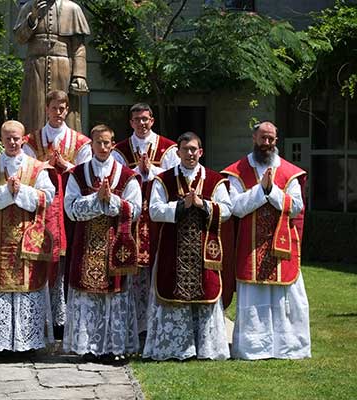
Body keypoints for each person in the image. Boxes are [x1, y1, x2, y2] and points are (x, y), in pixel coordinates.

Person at [222, 121, 310, 360]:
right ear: (254, 138)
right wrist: (261, 190)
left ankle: (289, 347)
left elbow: (296, 207)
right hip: (250, 245)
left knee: (288, 297)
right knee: (254, 296)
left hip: (282, 246)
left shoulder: (290, 172)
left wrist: (272, 191)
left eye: (271, 139)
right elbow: (234, 208)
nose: (267, 143)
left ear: (276, 140)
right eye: (263, 138)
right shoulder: (237, 171)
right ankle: (254, 348)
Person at [142, 132, 231, 360]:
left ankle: (206, 349)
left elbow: (228, 210)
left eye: (194, 149)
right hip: (173, 248)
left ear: (201, 152)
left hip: (203, 250)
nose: (190, 153)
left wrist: (204, 205)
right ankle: (175, 349)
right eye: (185, 149)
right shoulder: (163, 179)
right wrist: (181, 206)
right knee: (172, 293)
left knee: (206, 294)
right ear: (178, 152)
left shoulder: (214, 179)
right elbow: (154, 210)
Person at [0, 120, 56, 353]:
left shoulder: (37, 167)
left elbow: (47, 197)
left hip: (27, 239)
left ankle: (27, 344)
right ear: (1, 140)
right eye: (8, 138)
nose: (12, 142)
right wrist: (6, 192)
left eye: (16, 138)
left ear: (23, 139)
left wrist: (21, 192)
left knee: (28, 288)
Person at [63, 124, 142, 362]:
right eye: (99, 142)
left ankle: (113, 348)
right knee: (88, 297)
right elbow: (70, 209)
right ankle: (88, 347)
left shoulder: (126, 175)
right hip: (86, 246)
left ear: (113, 143)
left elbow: (136, 209)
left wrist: (113, 201)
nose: (104, 147)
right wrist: (96, 200)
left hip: (115, 245)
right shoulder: (77, 174)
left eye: (108, 142)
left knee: (114, 295)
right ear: (91, 144)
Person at [23, 89, 91, 335]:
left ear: (68, 110)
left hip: (70, 208)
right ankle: (42, 317)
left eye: (63, 108)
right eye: (54, 108)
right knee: (44, 259)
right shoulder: (32, 141)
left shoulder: (81, 142)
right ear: (46, 109)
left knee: (69, 259)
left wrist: (67, 167)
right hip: (43, 209)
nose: (59, 113)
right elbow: (26, 168)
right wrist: (45, 167)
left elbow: (86, 172)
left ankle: (65, 318)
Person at [113, 103, 180, 333]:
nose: (141, 123)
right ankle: (133, 324)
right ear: (130, 123)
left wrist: (151, 171)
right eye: (136, 120)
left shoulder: (169, 149)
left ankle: (155, 322)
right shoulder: (120, 150)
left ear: (152, 120)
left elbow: (176, 179)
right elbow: (116, 178)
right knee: (132, 272)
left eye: (145, 119)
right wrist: (137, 172)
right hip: (130, 220)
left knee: (156, 268)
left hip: (157, 221)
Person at [14, 0, 90, 133]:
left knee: (64, 108)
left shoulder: (72, 8)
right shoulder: (29, 7)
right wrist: (32, 18)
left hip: (63, 67)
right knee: (34, 111)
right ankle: (33, 146)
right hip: (35, 67)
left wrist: (79, 75)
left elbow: (79, 47)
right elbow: (20, 38)